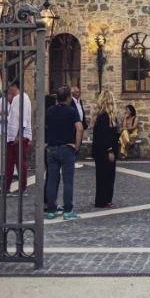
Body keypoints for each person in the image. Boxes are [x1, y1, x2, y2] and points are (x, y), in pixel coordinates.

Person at [43, 85, 83, 220]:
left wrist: (46, 143)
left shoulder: (49, 111)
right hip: (67, 148)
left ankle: (51, 210)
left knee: (52, 181)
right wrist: (76, 145)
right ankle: (68, 210)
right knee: (68, 181)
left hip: (52, 148)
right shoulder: (72, 111)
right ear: (68, 98)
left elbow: (44, 127)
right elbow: (80, 128)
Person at [0, 79, 32, 193]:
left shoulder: (22, 98)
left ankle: (22, 187)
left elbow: (24, 117)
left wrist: (19, 135)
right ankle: (6, 187)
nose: (8, 89)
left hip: (19, 136)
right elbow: (14, 116)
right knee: (9, 162)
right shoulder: (16, 99)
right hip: (12, 135)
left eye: (9, 86)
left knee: (20, 162)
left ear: (14, 86)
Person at [91, 89, 120, 208]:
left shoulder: (104, 116)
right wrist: (110, 150)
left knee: (104, 175)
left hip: (101, 151)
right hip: (104, 151)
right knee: (106, 176)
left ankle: (103, 199)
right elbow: (105, 136)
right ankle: (104, 200)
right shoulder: (104, 117)